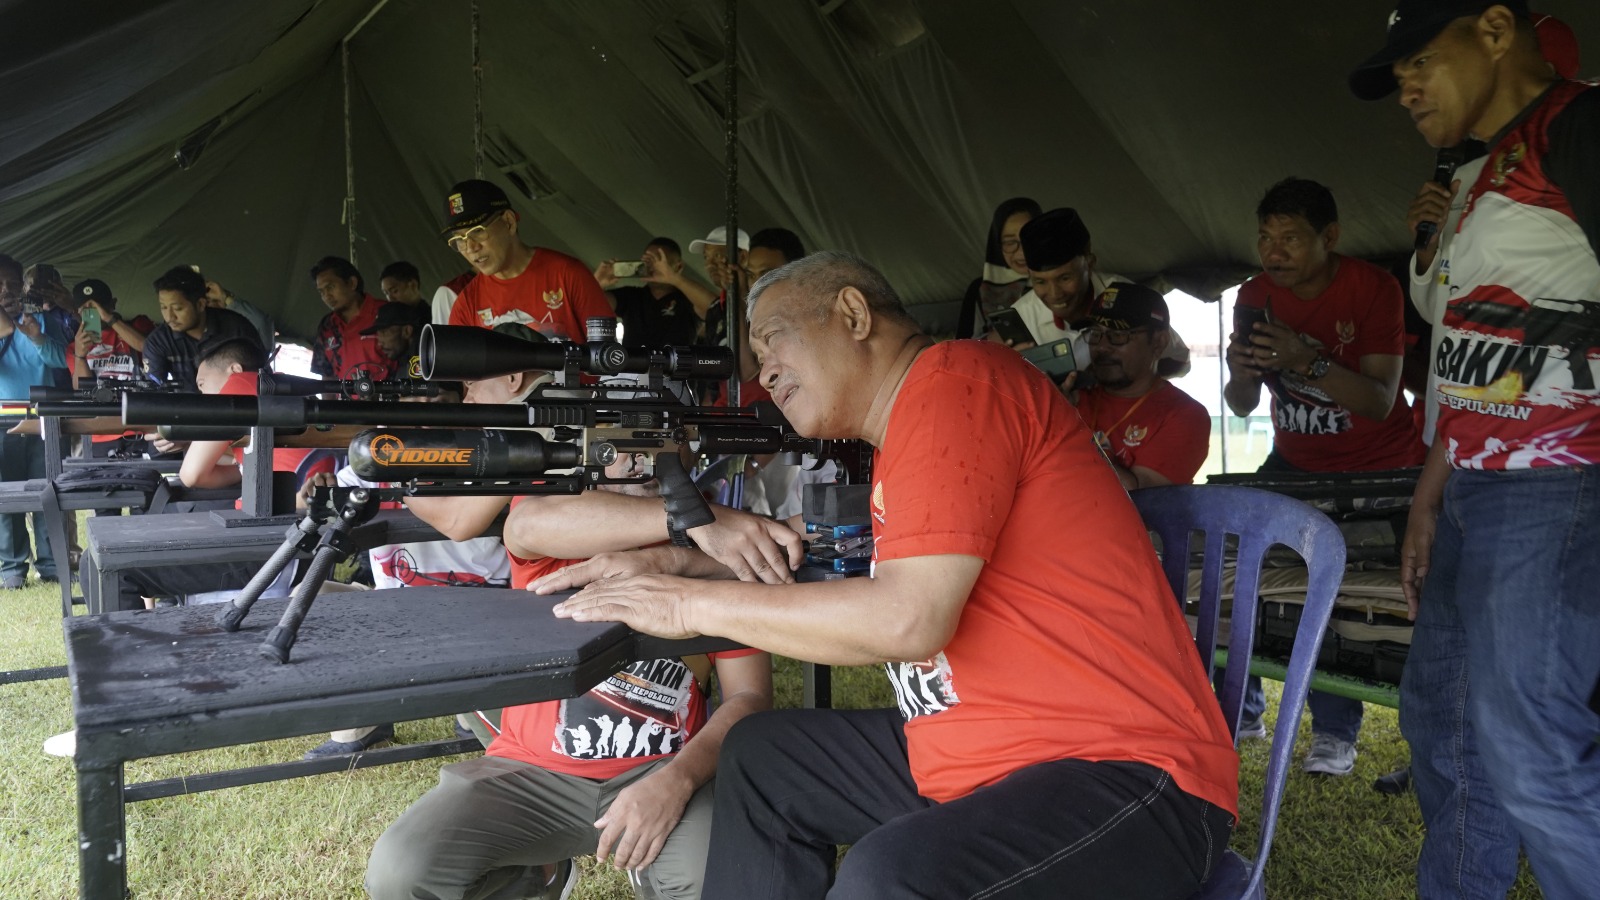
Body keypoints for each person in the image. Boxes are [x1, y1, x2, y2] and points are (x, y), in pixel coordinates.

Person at [539, 251, 1238, 900]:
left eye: (776, 339)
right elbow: (853, 581)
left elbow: (907, 617)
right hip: (979, 753)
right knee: (764, 757)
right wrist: (674, 560)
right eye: (757, 356)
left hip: (1129, 776)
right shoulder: (905, 433)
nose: (766, 370)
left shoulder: (956, 381)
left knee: (888, 878)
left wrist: (691, 602)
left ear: (852, 314)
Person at [1350, 2, 1600, 897]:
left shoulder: (1580, 126)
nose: (1406, 86)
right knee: (1444, 723)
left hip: (1558, 482)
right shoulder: (1481, 173)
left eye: (1420, 57)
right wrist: (1430, 491)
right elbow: (1472, 352)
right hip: (1472, 486)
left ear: (1495, 29)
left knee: (1531, 742)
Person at [1222, 176, 1423, 775]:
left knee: (1394, 600)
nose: (1273, 252)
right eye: (1265, 238)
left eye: (1289, 238)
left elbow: (1382, 400)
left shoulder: (1373, 288)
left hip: (1384, 464)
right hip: (1298, 464)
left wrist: (1304, 358)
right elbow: (1239, 404)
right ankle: (1244, 707)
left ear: (1329, 238)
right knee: (1237, 562)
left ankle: (1357, 735)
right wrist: (1241, 370)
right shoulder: (1255, 294)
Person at [1002, 208, 1191, 376]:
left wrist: (1135, 385)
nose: (1055, 293)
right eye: (1040, 281)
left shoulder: (1130, 301)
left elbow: (1179, 361)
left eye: (1065, 278)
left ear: (1090, 264)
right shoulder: (1022, 317)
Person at [1076, 283, 1211, 489]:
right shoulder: (1071, 397)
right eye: (1096, 333)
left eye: (1119, 335)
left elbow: (1137, 495)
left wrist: (1064, 423)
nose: (1102, 347)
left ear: (1158, 343)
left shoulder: (1185, 415)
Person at [442, 179, 613, 341]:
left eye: (477, 231)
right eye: (460, 240)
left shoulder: (568, 274)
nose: (471, 247)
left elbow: (608, 359)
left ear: (509, 222)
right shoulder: (466, 305)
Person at [0, 252, 67, 589]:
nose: (6, 291)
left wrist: (34, 335)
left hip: (43, 418)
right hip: (1, 422)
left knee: (47, 491)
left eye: (12, 284)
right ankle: (11, 569)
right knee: (4, 496)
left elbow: (60, 359)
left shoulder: (39, 320)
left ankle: (53, 563)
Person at [142, 266, 262, 390]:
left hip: (234, 404)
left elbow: (260, 380)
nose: (170, 317)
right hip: (183, 407)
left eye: (178, 308)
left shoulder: (237, 329)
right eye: (164, 307)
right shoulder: (158, 342)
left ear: (200, 304)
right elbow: (153, 391)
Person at [956, 197, 1040, 339]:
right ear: (997, 244)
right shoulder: (979, 289)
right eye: (1010, 242)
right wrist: (991, 342)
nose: (1021, 252)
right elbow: (961, 345)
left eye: (1028, 239)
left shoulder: (1058, 283)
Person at [595, 237, 699, 346]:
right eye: (648, 261)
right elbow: (591, 305)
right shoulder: (632, 296)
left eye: (659, 262)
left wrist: (675, 279)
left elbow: (711, 306)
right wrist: (597, 283)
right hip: (633, 362)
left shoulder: (689, 299)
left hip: (676, 362)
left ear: (679, 266)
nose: (652, 267)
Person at [309, 256, 392, 381]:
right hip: (344, 400)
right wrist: (327, 401)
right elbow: (327, 376)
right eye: (321, 292)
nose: (326, 296)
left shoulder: (388, 314)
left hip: (390, 398)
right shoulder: (327, 326)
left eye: (330, 287)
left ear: (352, 283)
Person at [71, 279, 155, 385]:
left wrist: (109, 319)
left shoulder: (137, 326)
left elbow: (152, 349)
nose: (94, 314)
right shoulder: (77, 345)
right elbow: (81, 389)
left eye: (98, 307)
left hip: (134, 400)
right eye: (86, 311)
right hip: (100, 400)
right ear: (77, 313)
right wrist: (80, 357)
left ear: (113, 304)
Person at [204, 278, 276, 352]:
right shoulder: (207, 334)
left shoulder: (237, 323)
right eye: (207, 303)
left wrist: (226, 299)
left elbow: (261, 324)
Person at [359, 301, 423, 376]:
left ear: (407, 331)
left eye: (384, 333)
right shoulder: (404, 362)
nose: (379, 343)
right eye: (378, 334)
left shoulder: (427, 363)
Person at [378, 260, 431, 325]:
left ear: (413, 285)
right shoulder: (394, 322)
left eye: (394, 291)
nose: (390, 299)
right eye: (386, 293)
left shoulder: (432, 318)